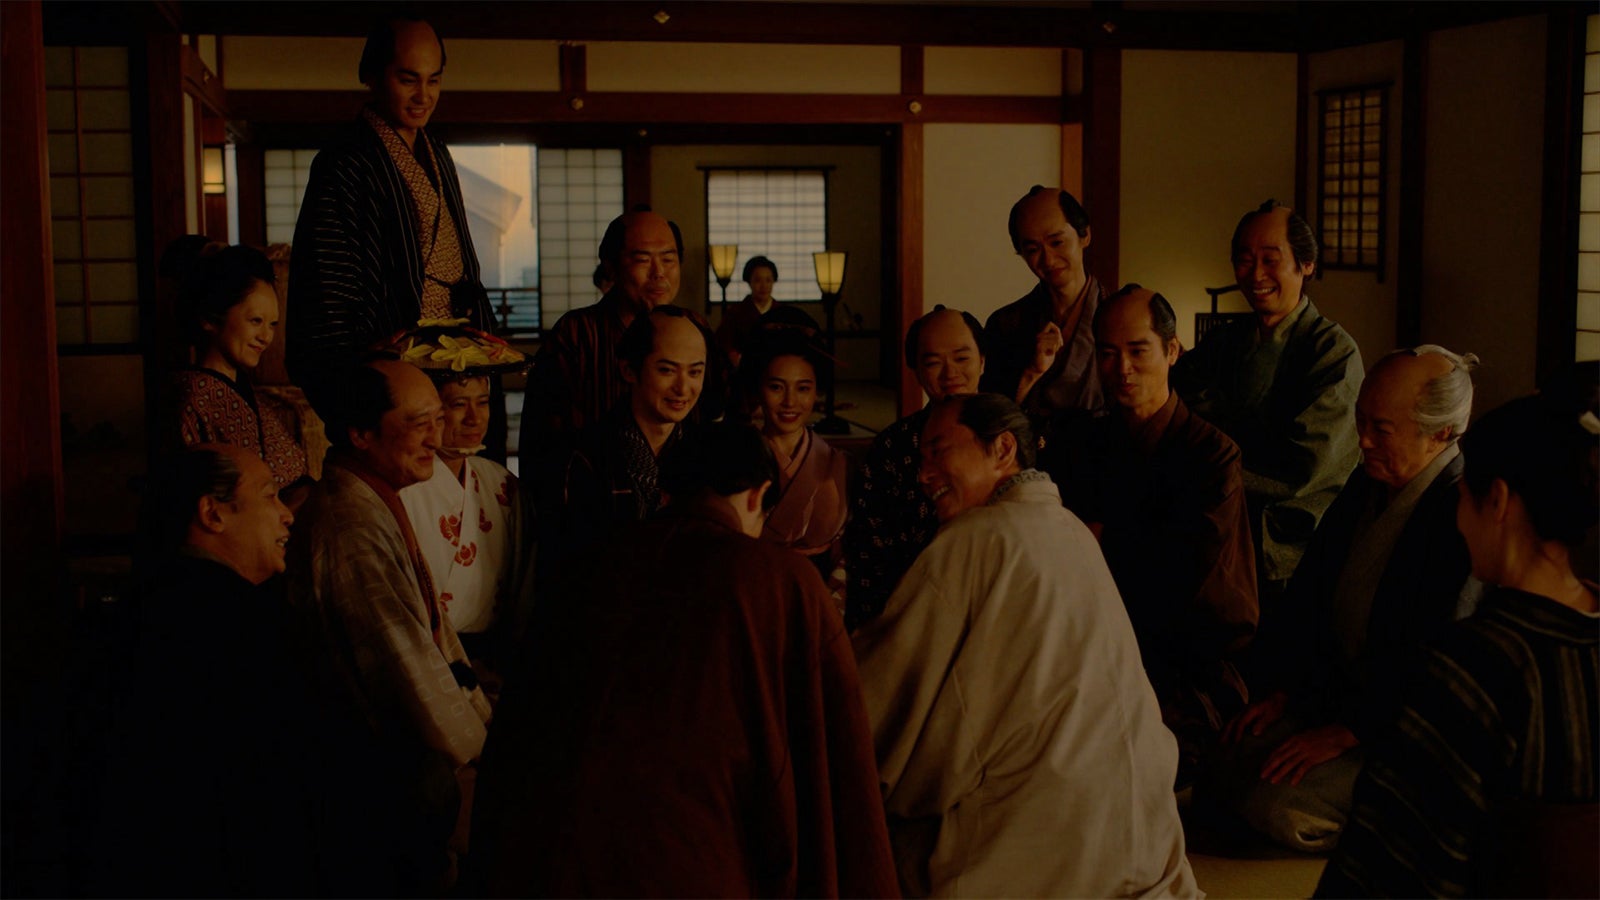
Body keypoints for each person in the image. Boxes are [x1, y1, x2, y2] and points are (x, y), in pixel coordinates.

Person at [473, 422, 899, 897]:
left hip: (547, 855)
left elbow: (517, 730)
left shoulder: (588, 568)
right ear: (759, 495)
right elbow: (835, 758)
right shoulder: (780, 580)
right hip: (693, 856)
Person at [853, 394, 1198, 898]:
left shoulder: (974, 538)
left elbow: (884, 687)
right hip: (1141, 825)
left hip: (1046, 830)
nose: (922, 474)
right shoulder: (1073, 529)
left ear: (1003, 449)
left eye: (938, 452)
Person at [1317, 389, 1599, 898]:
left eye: (1463, 497)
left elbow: (1390, 867)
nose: (1459, 519)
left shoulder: (1472, 669)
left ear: (1498, 501)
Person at [1210, 346, 1481, 852]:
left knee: (1276, 804)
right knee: (1225, 759)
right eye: (1361, 421)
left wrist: (1353, 730)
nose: (1363, 440)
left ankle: (1416, 826)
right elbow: (1310, 599)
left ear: (1441, 433)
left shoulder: (1463, 512)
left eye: (1382, 429)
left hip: (1400, 730)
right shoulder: (1368, 481)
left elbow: (1440, 665)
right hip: (1335, 700)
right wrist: (1286, 693)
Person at [287, 357, 492, 894]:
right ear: (361, 433)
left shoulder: (372, 497)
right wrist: (478, 748)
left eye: (438, 419)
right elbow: (401, 662)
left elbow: (430, 638)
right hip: (376, 773)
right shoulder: (347, 522)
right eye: (420, 423)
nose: (437, 438)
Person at [92, 445, 316, 896]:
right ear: (212, 514)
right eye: (269, 496)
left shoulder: (150, 602)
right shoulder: (235, 619)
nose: (287, 515)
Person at [1058, 284, 1258, 786]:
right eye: (1108, 353)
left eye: (1137, 351)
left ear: (1172, 351)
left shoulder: (1212, 456)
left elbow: (1183, 573)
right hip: (1097, 639)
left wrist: (1104, 538)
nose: (1121, 368)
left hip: (1187, 655)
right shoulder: (1088, 442)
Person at [287, 15, 503, 455]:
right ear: (371, 75)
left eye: (434, 80)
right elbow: (328, 282)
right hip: (396, 358)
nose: (423, 96)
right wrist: (363, 358)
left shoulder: (436, 152)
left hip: (454, 354)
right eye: (408, 80)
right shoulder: (345, 161)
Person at [1172, 200, 1363, 602]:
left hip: (1289, 550)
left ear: (1306, 264)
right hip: (1214, 533)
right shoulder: (1224, 341)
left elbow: (1304, 467)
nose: (1256, 274)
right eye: (1244, 260)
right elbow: (1177, 412)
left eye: (1270, 260)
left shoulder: (1333, 352)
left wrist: (1213, 452)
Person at [535, 307, 713, 588]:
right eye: (667, 370)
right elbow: (568, 564)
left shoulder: (708, 452)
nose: (683, 387)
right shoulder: (585, 455)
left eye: (695, 372)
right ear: (629, 370)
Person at [844, 305, 984, 630]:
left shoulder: (1010, 438)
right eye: (933, 363)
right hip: (912, 611)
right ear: (915, 370)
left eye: (962, 358)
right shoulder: (893, 446)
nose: (950, 374)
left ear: (983, 360)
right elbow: (869, 550)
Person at [519, 208, 689, 471]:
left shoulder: (692, 329)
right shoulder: (576, 333)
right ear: (611, 266)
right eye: (643, 260)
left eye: (668, 259)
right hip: (591, 486)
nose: (659, 273)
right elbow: (542, 438)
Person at [398, 362, 531, 682]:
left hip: (494, 657)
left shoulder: (501, 483)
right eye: (459, 404)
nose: (475, 418)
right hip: (422, 655)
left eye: (482, 402)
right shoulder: (404, 485)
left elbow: (523, 579)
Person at [163, 241, 309, 494]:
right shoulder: (195, 397)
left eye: (272, 324)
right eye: (256, 321)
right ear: (210, 318)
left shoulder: (241, 386)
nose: (266, 337)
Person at [981, 186, 1106, 447]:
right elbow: (991, 420)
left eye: (1057, 242)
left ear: (1085, 235)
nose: (1048, 259)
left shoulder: (1118, 318)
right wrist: (1031, 373)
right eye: (1032, 249)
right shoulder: (1006, 324)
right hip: (1030, 459)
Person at [741, 328, 849, 604]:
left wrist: (829, 607)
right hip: (752, 590)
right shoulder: (737, 460)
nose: (790, 402)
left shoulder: (836, 463)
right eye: (776, 387)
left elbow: (846, 549)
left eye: (803, 388)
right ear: (758, 388)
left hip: (820, 595)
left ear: (816, 392)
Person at [715, 254, 779, 366]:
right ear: (749, 282)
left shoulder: (781, 311)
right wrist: (733, 356)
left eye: (768, 280)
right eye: (757, 280)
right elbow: (723, 342)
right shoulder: (735, 312)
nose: (764, 286)